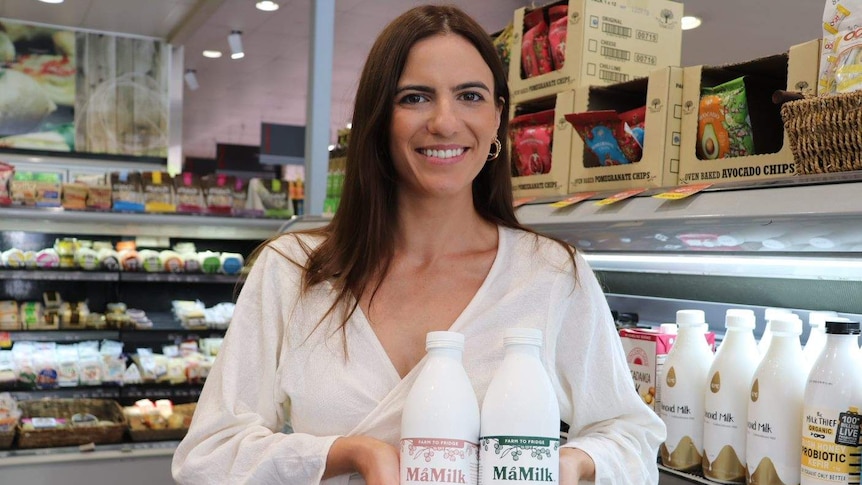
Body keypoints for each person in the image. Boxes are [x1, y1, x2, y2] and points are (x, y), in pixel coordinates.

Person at [172, 4, 665, 484]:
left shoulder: (552, 274)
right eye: (415, 97)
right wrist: (353, 453)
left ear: (498, 117)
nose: (445, 122)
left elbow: (630, 435)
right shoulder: (294, 271)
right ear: (379, 119)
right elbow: (208, 456)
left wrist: (571, 462)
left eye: (470, 96)